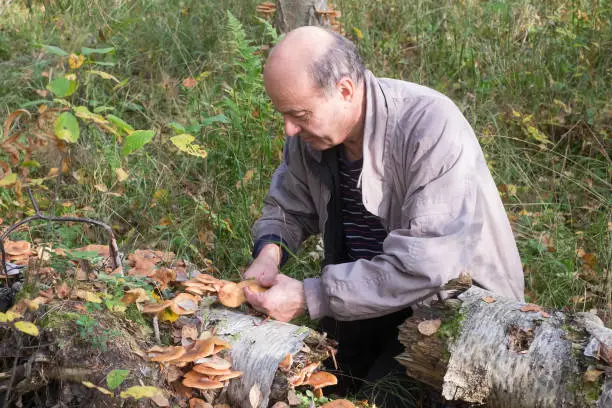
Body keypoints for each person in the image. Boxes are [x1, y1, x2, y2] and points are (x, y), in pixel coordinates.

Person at [242, 26, 524, 403]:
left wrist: (311, 295)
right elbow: (286, 205)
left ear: (344, 90)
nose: (289, 129)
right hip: (362, 295)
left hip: (448, 312)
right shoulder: (310, 137)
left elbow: (425, 265)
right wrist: (270, 251)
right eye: (285, 115)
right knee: (314, 385)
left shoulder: (429, 125)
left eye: (299, 114)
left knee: (380, 396)